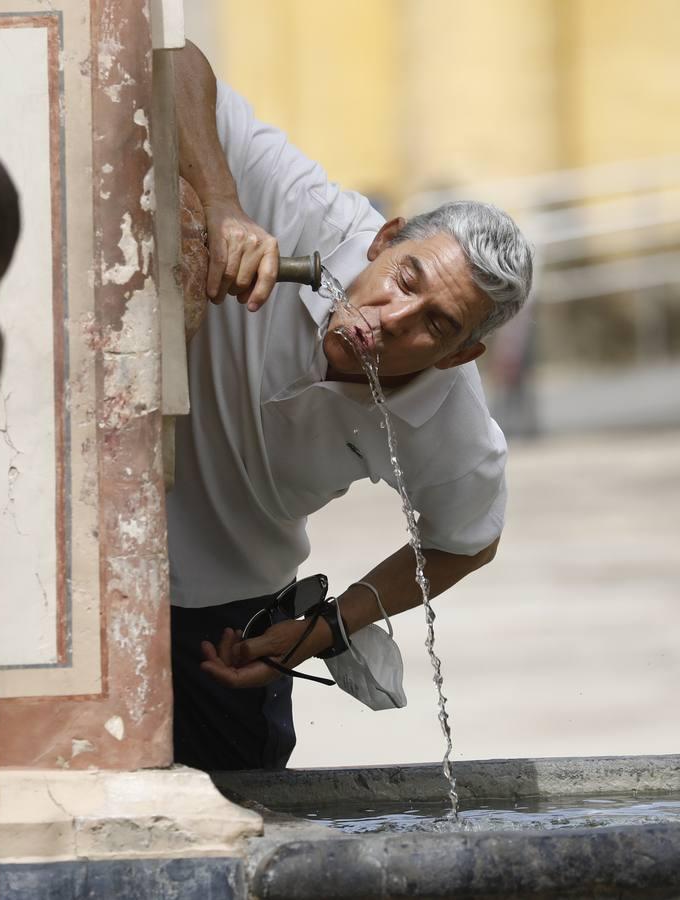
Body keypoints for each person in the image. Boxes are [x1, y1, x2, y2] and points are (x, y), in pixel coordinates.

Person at [166, 42, 534, 772]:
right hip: (88, 553)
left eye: (435, 324)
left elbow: (467, 539)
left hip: (225, 614)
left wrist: (328, 627)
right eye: (406, 277)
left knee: (240, 825)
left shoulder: (448, 418)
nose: (396, 318)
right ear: (385, 237)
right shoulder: (303, 210)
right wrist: (222, 203)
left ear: (459, 356)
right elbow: (171, 53)